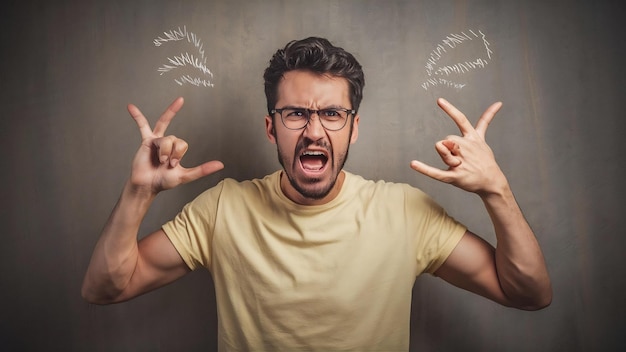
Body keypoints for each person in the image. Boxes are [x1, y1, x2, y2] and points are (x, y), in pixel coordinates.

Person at [82, 37, 552, 351]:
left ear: (353, 128)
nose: (313, 132)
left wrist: (496, 191)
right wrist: (137, 194)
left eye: (332, 114)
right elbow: (106, 288)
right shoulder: (223, 208)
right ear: (270, 127)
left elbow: (528, 293)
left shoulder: (405, 213)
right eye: (294, 115)